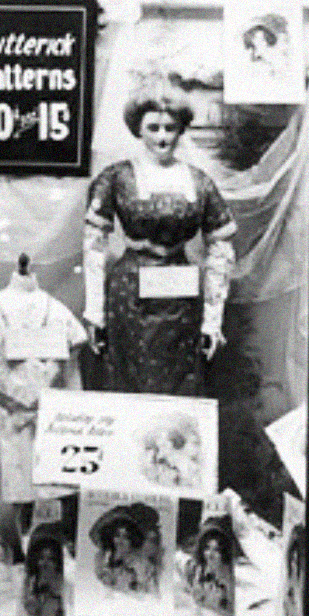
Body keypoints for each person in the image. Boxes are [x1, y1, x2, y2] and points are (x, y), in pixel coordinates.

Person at [82, 80, 237, 395]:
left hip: (181, 297)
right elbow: (94, 246)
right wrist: (95, 312)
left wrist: (212, 320)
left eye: (170, 127)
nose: (163, 137)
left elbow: (221, 249)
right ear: (138, 129)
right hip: (129, 295)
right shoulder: (116, 177)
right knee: (128, 381)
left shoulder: (199, 181)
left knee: (181, 382)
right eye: (153, 127)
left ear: (181, 129)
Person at [91, 502, 161, 595]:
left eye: (126, 537)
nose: (120, 541)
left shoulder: (141, 564)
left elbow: (148, 594)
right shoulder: (102, 559)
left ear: (133, 540)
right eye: (117, 535)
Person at [187, 523, 235, 616]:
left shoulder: (230, 579)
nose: (210, 555)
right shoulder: (198, 570)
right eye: (207, 548)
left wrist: (210, 606)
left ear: (223, 553)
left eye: (216, 550)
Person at [22, 534, 64, 616]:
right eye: (41, 558)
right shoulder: (31, 580)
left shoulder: (62, 582)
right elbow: (27, 608)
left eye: (50, 559)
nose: (45, 563)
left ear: (57, 562)